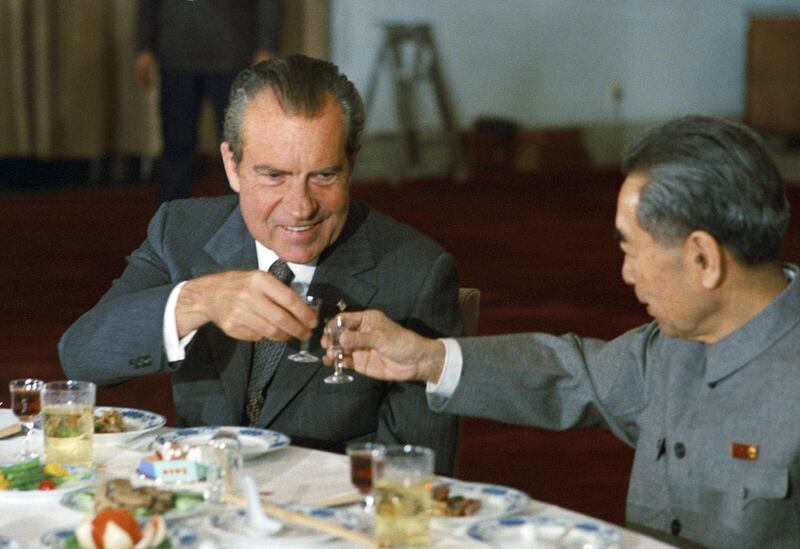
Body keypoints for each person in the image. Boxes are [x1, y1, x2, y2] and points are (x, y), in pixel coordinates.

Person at [327, 115, 800, 548]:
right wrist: (427, 358)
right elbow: (570, 373)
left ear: (704, 258)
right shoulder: (673, 347)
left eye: (631, 249)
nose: (626, 274)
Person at [59, 55, 462, 475]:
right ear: (232, 166)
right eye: (274, 176)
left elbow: (416, 478)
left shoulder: (416, 273)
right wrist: (197, 302)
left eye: (324, 176)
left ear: (352, 163)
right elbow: (82, 357)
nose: (300, 207)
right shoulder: (182, 230)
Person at [135, 0, 284, 204]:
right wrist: (144, 46)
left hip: (232, 52)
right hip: (176, 53)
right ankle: (172, 221)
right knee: (176, 147)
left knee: (237, 146)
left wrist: (266, 46)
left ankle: (241, 220)